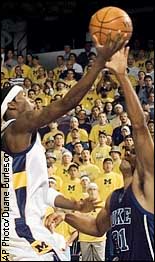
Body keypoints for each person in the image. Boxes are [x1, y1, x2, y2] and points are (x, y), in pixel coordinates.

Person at [1, 33, 126, 261]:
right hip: (19, 231)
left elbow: (40, 191)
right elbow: (66, 104)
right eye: (25, 96)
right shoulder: (16, 127)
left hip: (14, 230)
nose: (31, 99)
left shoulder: (14, 141)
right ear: (11, 105)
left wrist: (74, 204)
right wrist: (98, 64)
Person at [46, 45, 154, 261]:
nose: (127, 149)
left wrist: (121, 76)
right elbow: (96, 227)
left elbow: (140, 126)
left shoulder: (147, 185)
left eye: (133, 149)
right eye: (126, 147)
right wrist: (65, 216)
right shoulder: (115, 197)